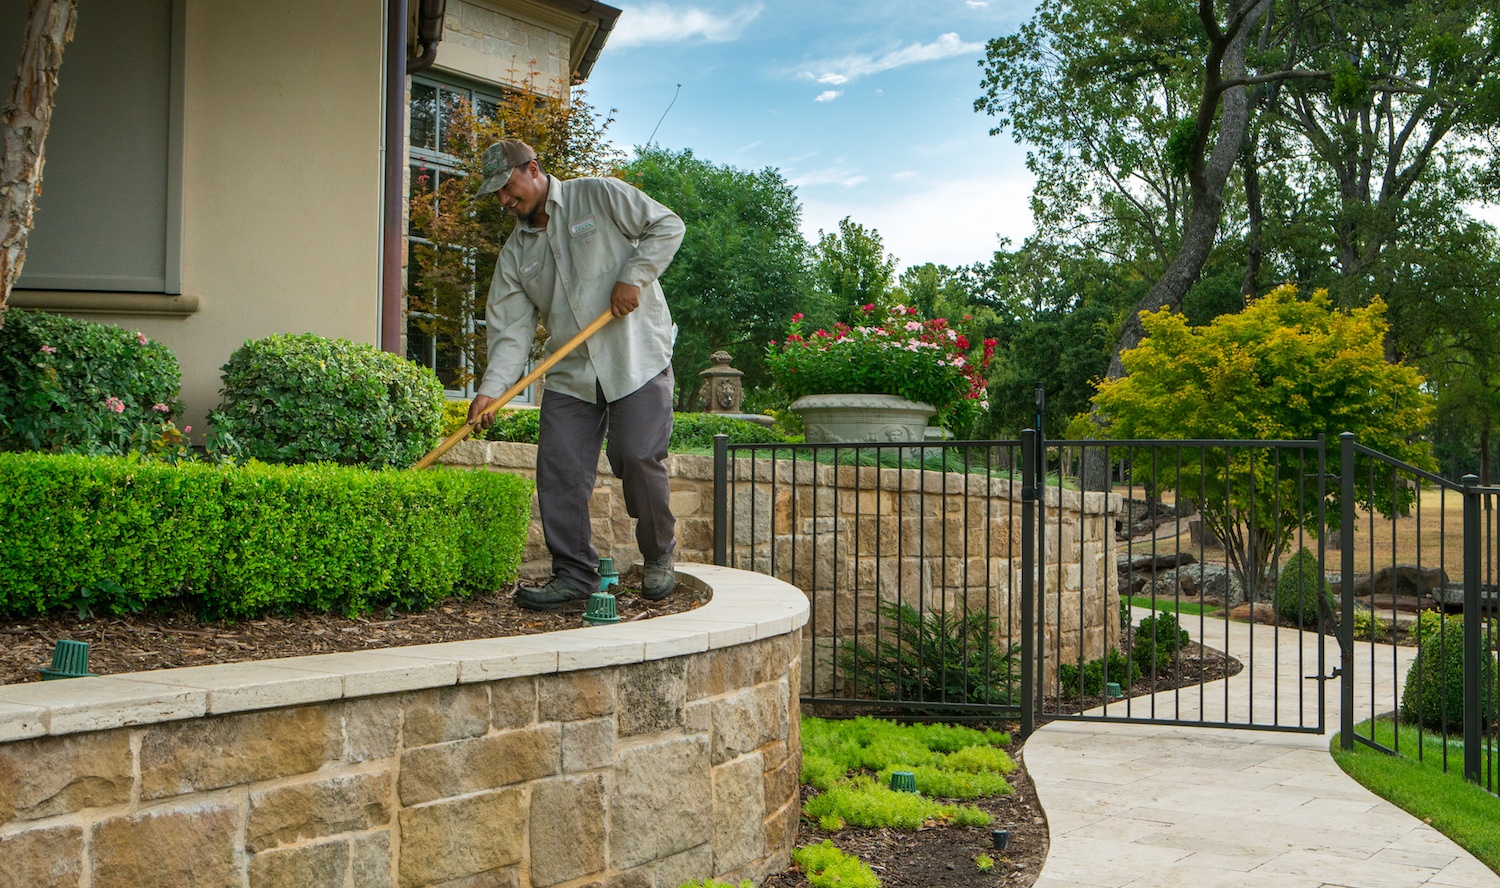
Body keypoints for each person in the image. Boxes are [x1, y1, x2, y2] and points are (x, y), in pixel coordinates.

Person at [468, 139, 686, 611]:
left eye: (507, 188)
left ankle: (658, 554)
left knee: (636, 455)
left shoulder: (598, 195)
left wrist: (634, 275)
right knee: (559, 469)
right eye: (497, 195)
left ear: (532, 169)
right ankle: (574, 576)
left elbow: (667, 225)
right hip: (571, 374)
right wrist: (491, 391)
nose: (504, 201)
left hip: (636, 357)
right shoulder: (514, 256)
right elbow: (511, 332)